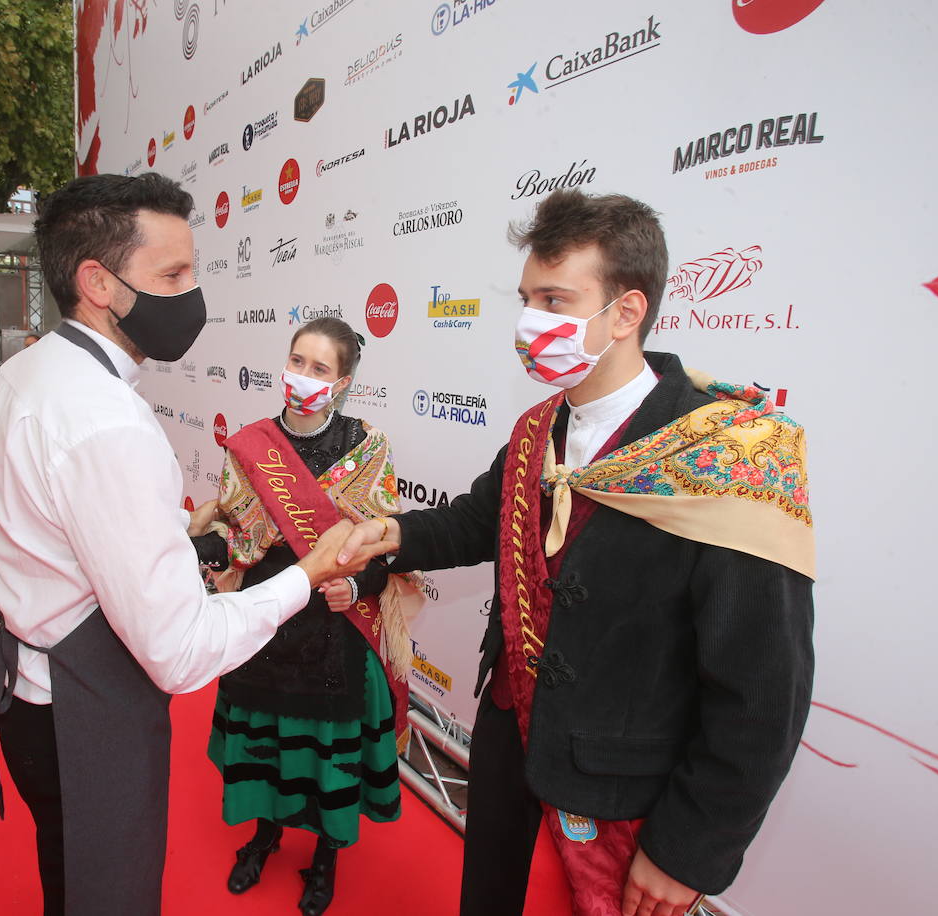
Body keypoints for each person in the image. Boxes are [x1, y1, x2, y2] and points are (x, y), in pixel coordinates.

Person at [332, 189, 815, 916]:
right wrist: (392, 534)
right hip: (509, 744)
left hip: (622, 793)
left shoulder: (731, 458)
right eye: (527, 299)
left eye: (555, 299)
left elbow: (763, 691)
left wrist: (688, 848)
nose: (530, 323)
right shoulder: (537, 428)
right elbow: (480, 520)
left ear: (626, 312)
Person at [0, 172, 391, 916]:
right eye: (172, 275)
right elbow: (181, 650)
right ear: (98, 281)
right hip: (82, 715)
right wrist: (307, 572)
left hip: (26, 696)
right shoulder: (108, 423)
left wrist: (172, 541)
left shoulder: (18, 376)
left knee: (68, 876)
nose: (192, 296)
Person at [191, 317, 421, 916]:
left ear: (343, 381)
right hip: (265, 618)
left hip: (332, 631)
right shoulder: (252, 445)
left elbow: (384, 552)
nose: (303, 377)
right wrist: (205, 543)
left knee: (325, 751)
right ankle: (264, 835)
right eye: (297, 362)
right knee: (263, 742)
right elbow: (233, 532)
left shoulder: (368, 448)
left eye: (319, 369)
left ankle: (325, 857)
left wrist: (356, 581)